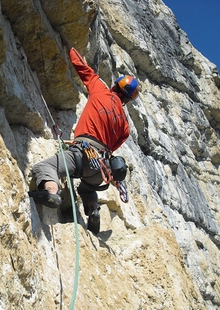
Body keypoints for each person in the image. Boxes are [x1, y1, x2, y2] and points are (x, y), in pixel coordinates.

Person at [29, 36, 140, 234]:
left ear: (115, 86)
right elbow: (112, 145)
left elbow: (82, 67)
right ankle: (93, 210)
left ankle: (51, 193)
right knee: (87, 188)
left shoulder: (101, 90)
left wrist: (68, 43)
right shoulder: (124, 123)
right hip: (100, 167)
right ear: (128, 100)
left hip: (82, 153)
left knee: (45, 167)